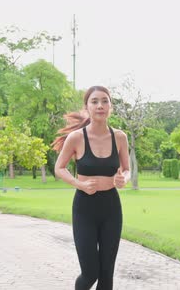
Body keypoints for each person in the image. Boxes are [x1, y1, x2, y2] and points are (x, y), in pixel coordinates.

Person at [53, 85, 130, 290]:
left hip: (111, 208)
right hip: (84, 208)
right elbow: (59, 168)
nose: (100, 105)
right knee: (90, 273)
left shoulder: (120, 137)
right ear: (87, 107)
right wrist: (79, 184)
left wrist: (124, 179)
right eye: (94, 101)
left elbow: (127, 169)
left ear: (110, 107)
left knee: (107, 274)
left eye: (105, 101)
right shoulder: (77, 137)